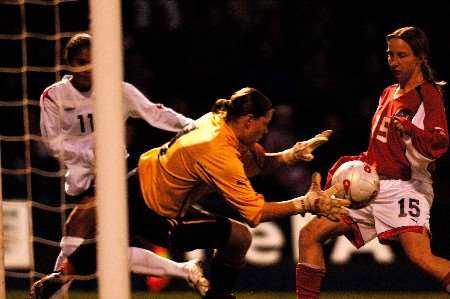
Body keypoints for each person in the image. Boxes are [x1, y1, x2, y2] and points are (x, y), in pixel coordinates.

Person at [33, 86, 350, 299]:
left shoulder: (218, 120)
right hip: (159, 212)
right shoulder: (217, 151)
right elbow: (254, 214)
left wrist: (290, 155)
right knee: (240, 237)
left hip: (136, 181)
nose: (266, 131)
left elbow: (254, 163)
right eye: (264, 125)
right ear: (249, 120)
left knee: (111, 243)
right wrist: (306, 203)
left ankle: (57, 277)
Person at [34, 32, 208, 297]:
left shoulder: (116, 90)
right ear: (69, 63)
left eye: (92, 61)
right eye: (80, 61)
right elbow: (53, 142)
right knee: (107, 248)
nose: (86, 68)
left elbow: (154, 112)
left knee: (78, 224)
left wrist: (191, 125)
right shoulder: (54, 96)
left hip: (112, 173)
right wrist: (89, 155)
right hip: (79, 175)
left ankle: (55, 287)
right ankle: (185, 269)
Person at [296, 26, 450, 298]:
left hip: (406, 186)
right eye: (390, 54)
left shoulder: (428, 96)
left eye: (402, 55)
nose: (394, 62)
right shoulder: (388, 92)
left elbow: (440, 142)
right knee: (310, 234)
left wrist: (411, 130)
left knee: (421, 258)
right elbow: (378, 147)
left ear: (419, 56)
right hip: (372, 187)